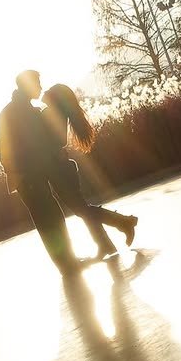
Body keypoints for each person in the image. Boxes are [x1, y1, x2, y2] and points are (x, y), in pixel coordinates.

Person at [42, 82, 138, 259]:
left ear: (54, 98)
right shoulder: (55, 113)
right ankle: (105, 243)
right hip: (63, 168)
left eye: (48, 91)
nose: (44, 92)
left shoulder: (51, 114)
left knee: (82, 210)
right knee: (83, 209)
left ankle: (124, 222)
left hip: (60, 170)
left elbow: (53, 141)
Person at [0, 70, 76, 271]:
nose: (41, 87)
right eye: (38, 83)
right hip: (27, 176)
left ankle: (67, 262)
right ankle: (66, 264)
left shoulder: (27, 111)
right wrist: (20, 174)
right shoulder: (15, 113)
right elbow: (9, 149)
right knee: (47, 219)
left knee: (51, 216)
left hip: (33, 175)